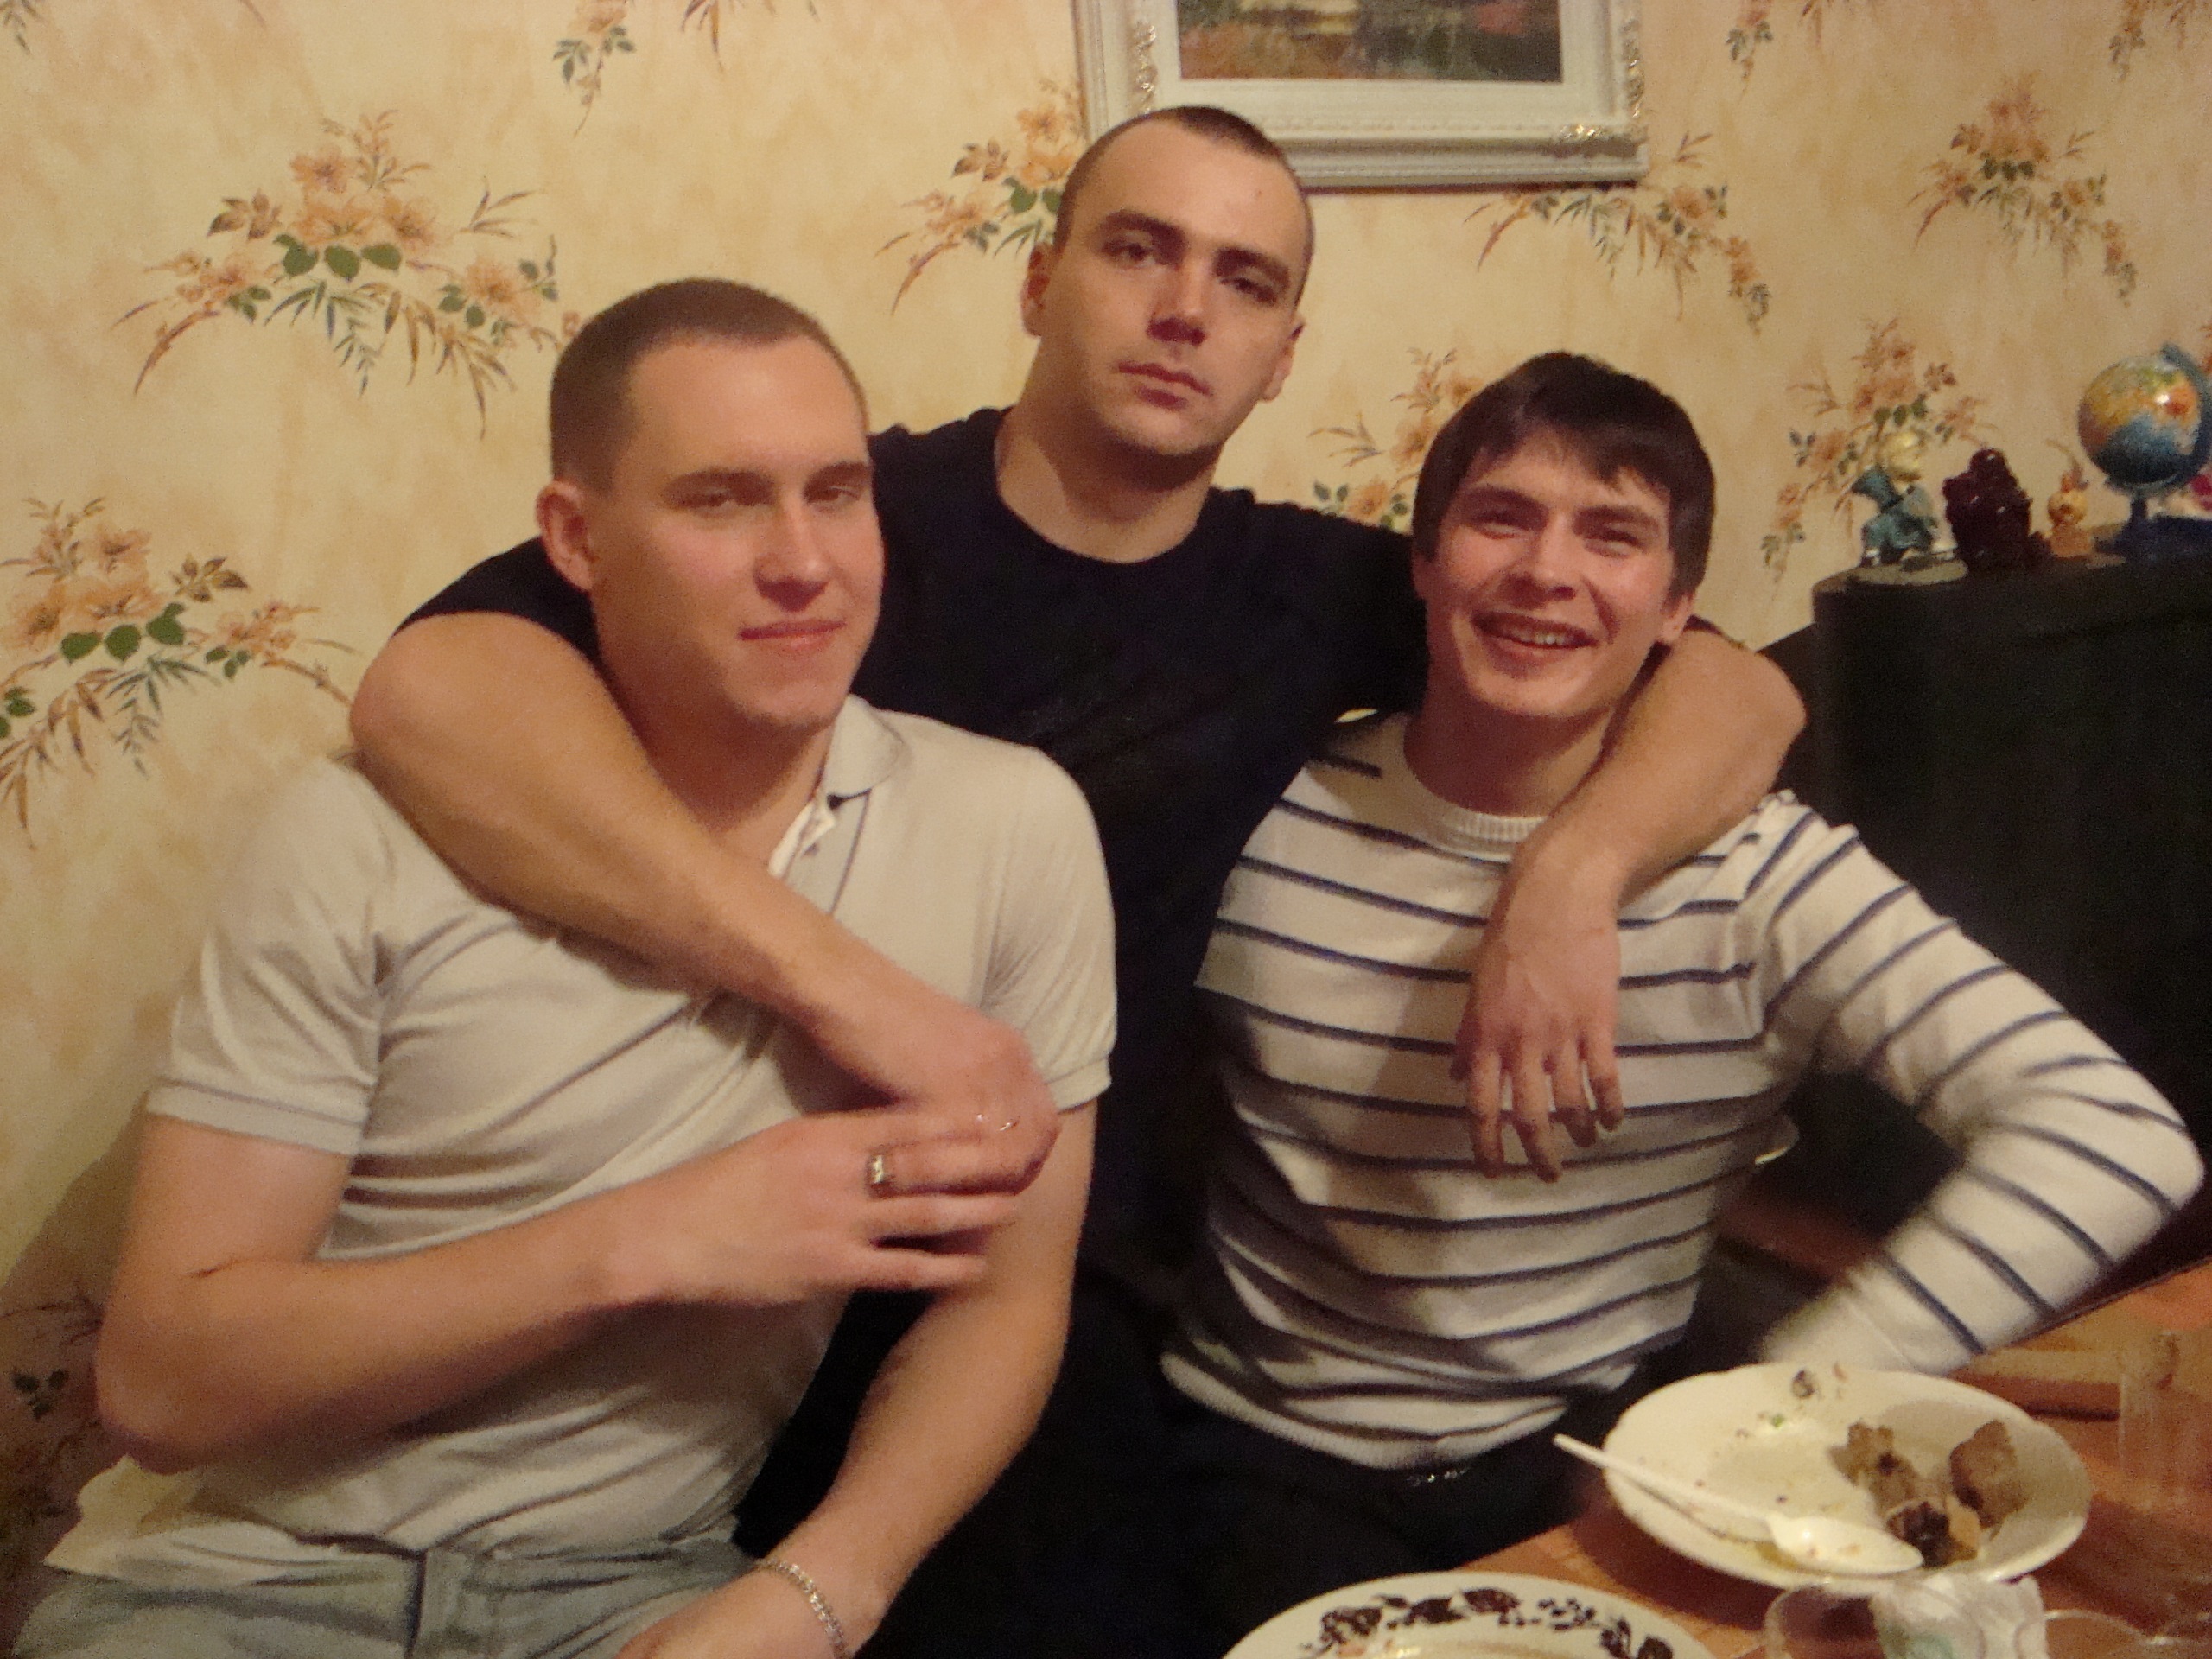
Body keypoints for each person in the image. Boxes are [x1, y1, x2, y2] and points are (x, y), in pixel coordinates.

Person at [346, 110, 1802, 1655]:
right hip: (710, 1252)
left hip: (1040, 1285)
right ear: (1041, 282)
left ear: (1284, 355)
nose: (1185, 310)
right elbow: (425, 691)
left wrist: (1571, 875)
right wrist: (854, 996)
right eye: (1137, 250)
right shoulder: (833, 527)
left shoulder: (1310, 593)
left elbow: (1740, 690)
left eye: (1245, 281)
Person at [17, 280, 1113, 1659]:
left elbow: (1007, 1299)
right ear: (576, 539)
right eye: (722, 501)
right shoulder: (361, 829)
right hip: (242, 1576)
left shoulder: (1008, 830)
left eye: (837, 494)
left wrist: (821, 1593)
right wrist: (652, 1241)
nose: (803, 563)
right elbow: (166, 1382)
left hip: (638, 1586)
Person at [1163, 352, 2203, 1648]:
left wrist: (1772, 1403)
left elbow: (2115, 1136)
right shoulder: (1264, 813)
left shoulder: (1763, 878)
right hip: (1260, 1465)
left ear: (1678, 610)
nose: (1547, 570)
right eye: (1501, 518)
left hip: (1603, 1456)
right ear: (1422, 566)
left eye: (1612, 535)